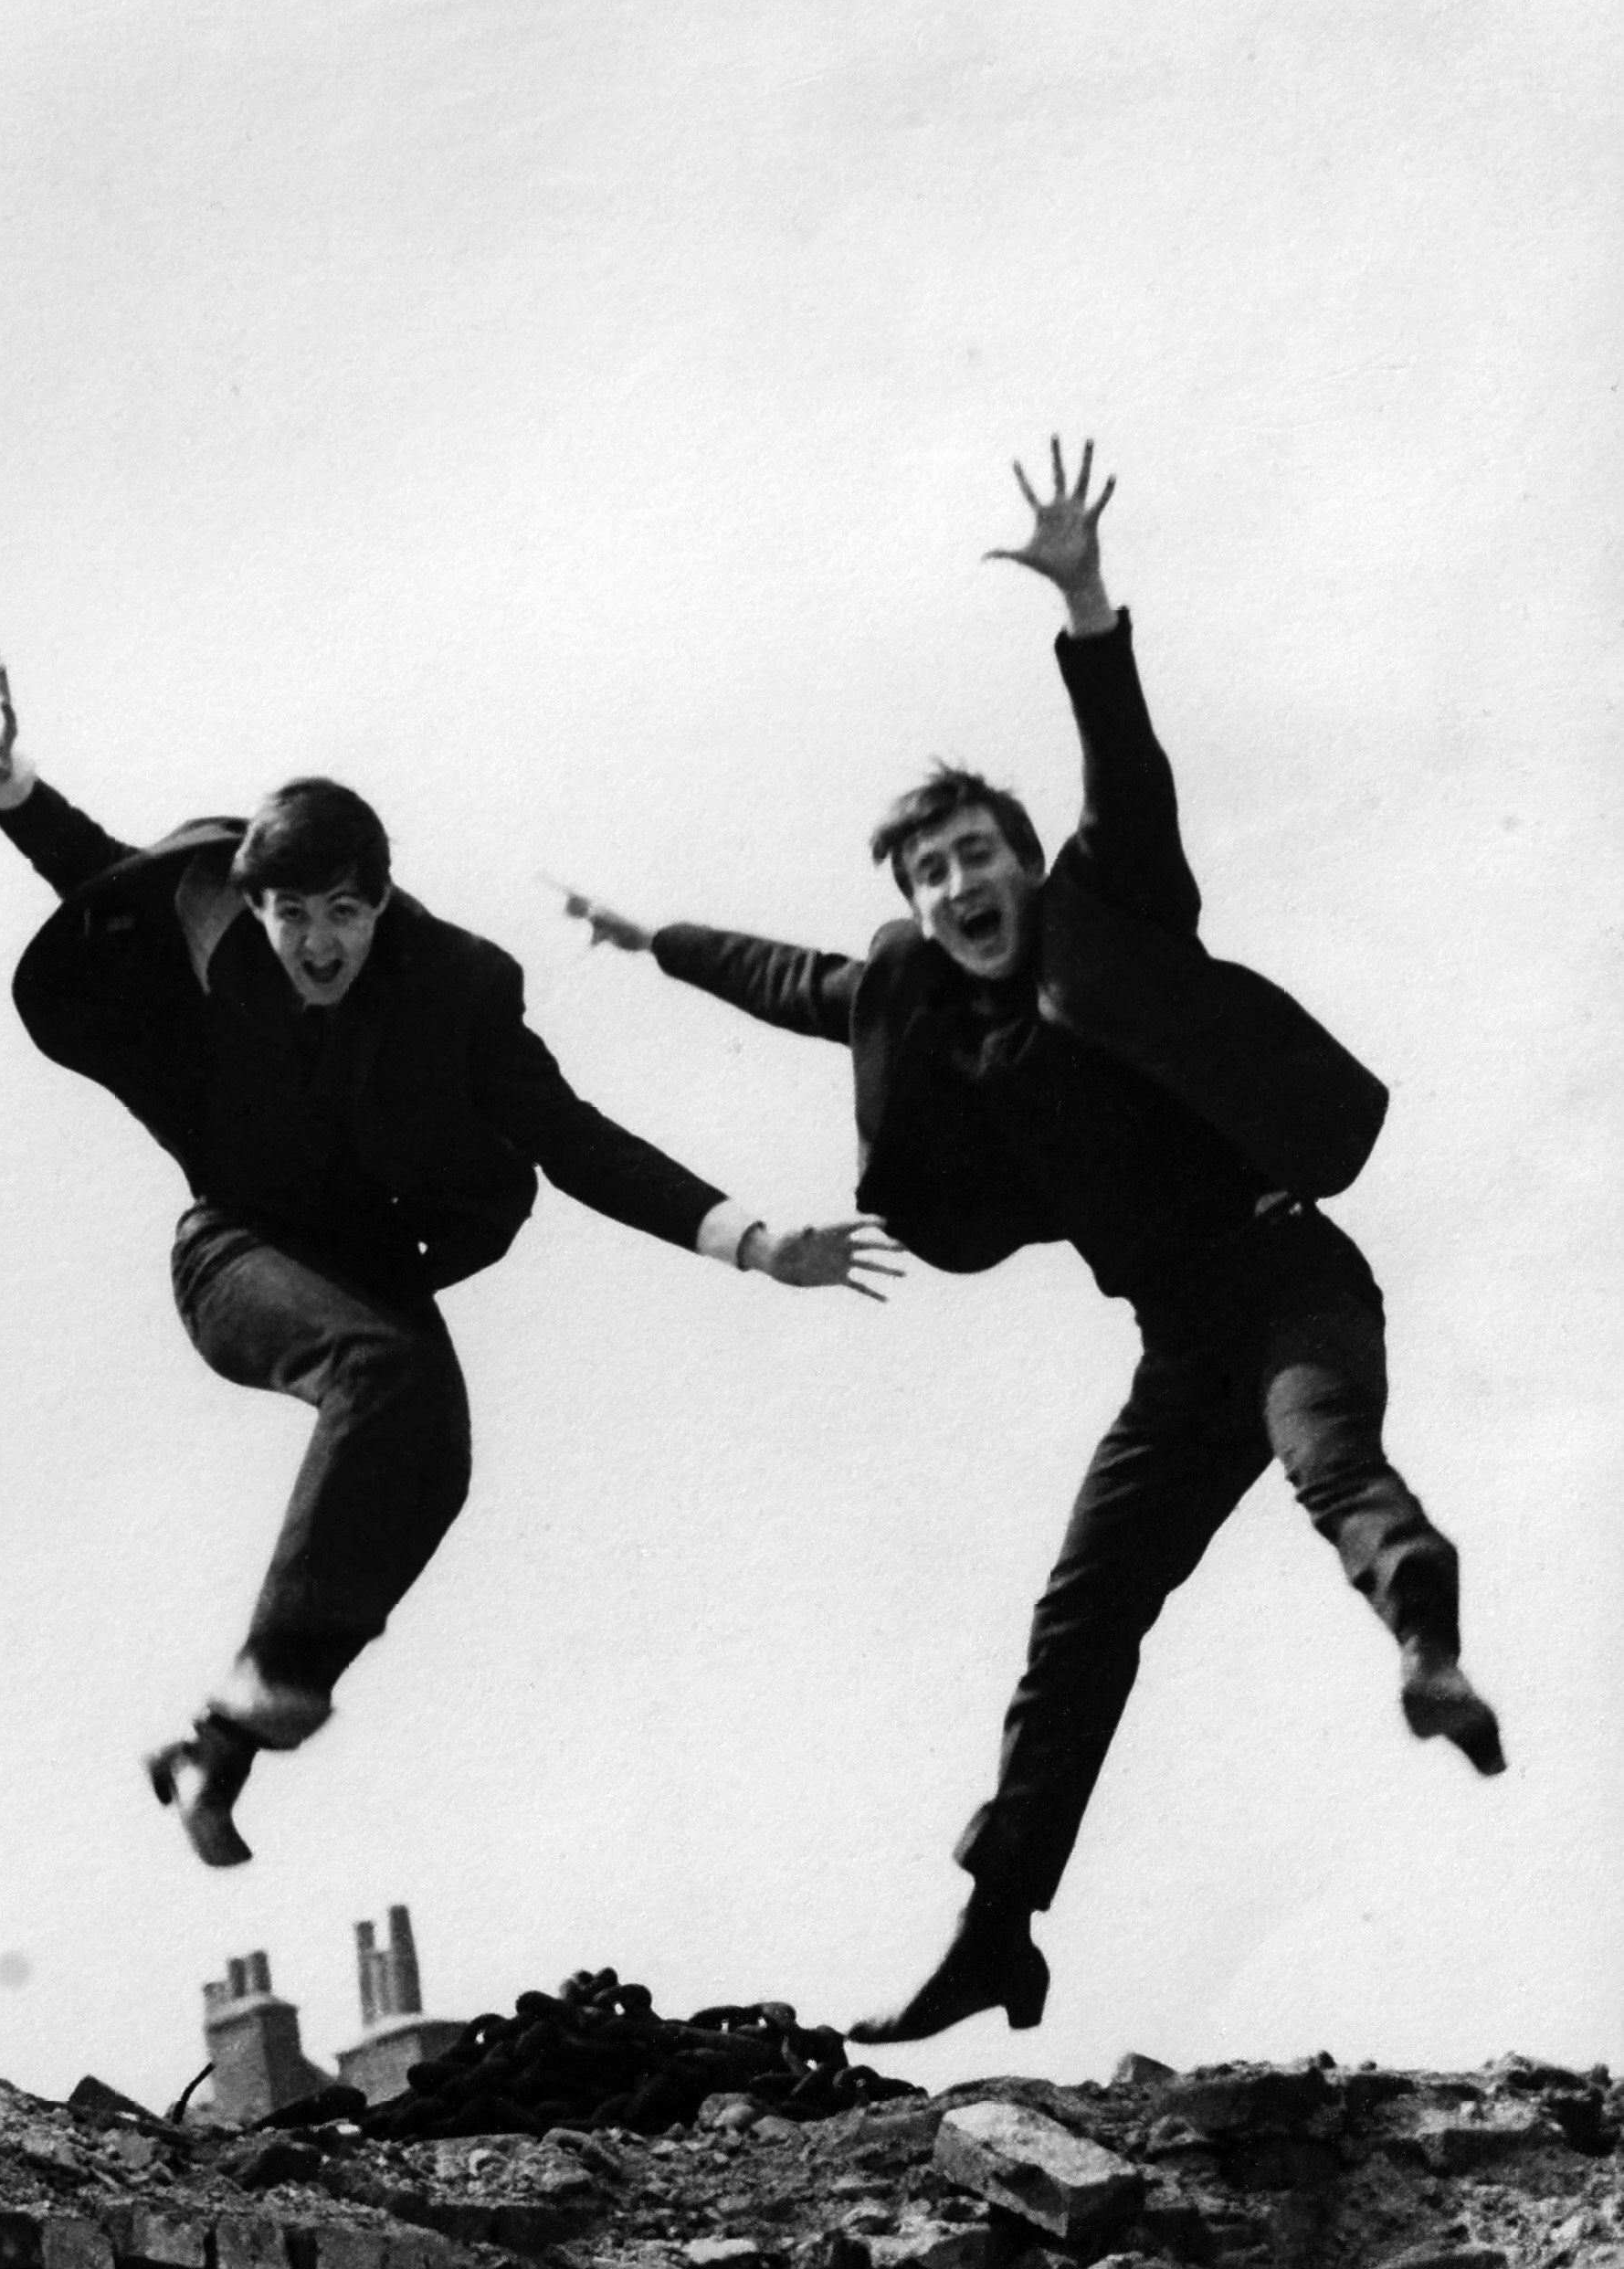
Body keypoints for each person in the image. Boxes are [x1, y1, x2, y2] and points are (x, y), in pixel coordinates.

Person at [564, 439, 1503, 2042]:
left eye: (976, 855)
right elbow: (798, 983)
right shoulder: (923, 1010)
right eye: (931, 876)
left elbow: (1124, 768)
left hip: (1286, 1275)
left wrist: (1083, 603)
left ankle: (1426, 1643)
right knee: (1080, 1617)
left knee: (1327, 1454)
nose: (958, 885)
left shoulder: (1110, 911)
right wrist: (655, 942)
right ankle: (997, 1928)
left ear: (1020, 860)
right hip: (1173, 1342)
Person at [0, 653, 896, 1867]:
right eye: (290, 915)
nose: (313, 944)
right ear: (253, 908)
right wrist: (12, 787)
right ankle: (262, 1687)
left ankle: (217, 1752)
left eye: (343, 914)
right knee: (379, 1379)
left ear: (384, 904)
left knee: (434, 1465)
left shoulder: (457, 987)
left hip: (367, 1258)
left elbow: (569, 1137)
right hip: (235, 1251)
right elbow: (102, 873)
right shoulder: (210, 929)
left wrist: (754, 1241)